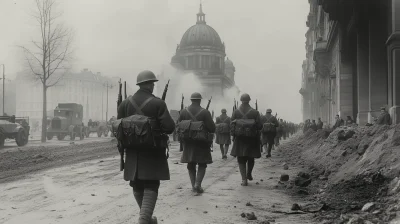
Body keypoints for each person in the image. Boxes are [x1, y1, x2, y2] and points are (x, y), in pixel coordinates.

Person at [117, 70, 175, 224]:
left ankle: (147, 219)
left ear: (139, 84)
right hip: (153, 151)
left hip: (131, 152)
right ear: (150, 85)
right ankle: (144, 220)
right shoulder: (158, 103)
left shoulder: (124, 104)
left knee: (136, 184)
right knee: (151, 185)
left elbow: (119, 127)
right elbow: (169, 127)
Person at [179, 92, 215, 194]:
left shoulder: (183, 112)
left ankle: (193, 186)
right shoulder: (205, 112)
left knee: (191, 164)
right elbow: (212, 128)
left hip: (188, 142)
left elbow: (178, 126)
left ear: (191, 100)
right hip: (202, 142)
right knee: (202, 163)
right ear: (200, 100)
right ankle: (197, 184)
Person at [230, 93, 262, 186]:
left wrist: (234, 134)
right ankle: (249, 173)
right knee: (251, 157)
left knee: (241, 159)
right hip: (252, 138)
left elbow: (231, 124)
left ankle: (244, 179)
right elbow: (260, 126)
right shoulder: (255, 112)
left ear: (241, 100)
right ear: (249, 100)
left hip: (239, 138)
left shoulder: (236, 112)